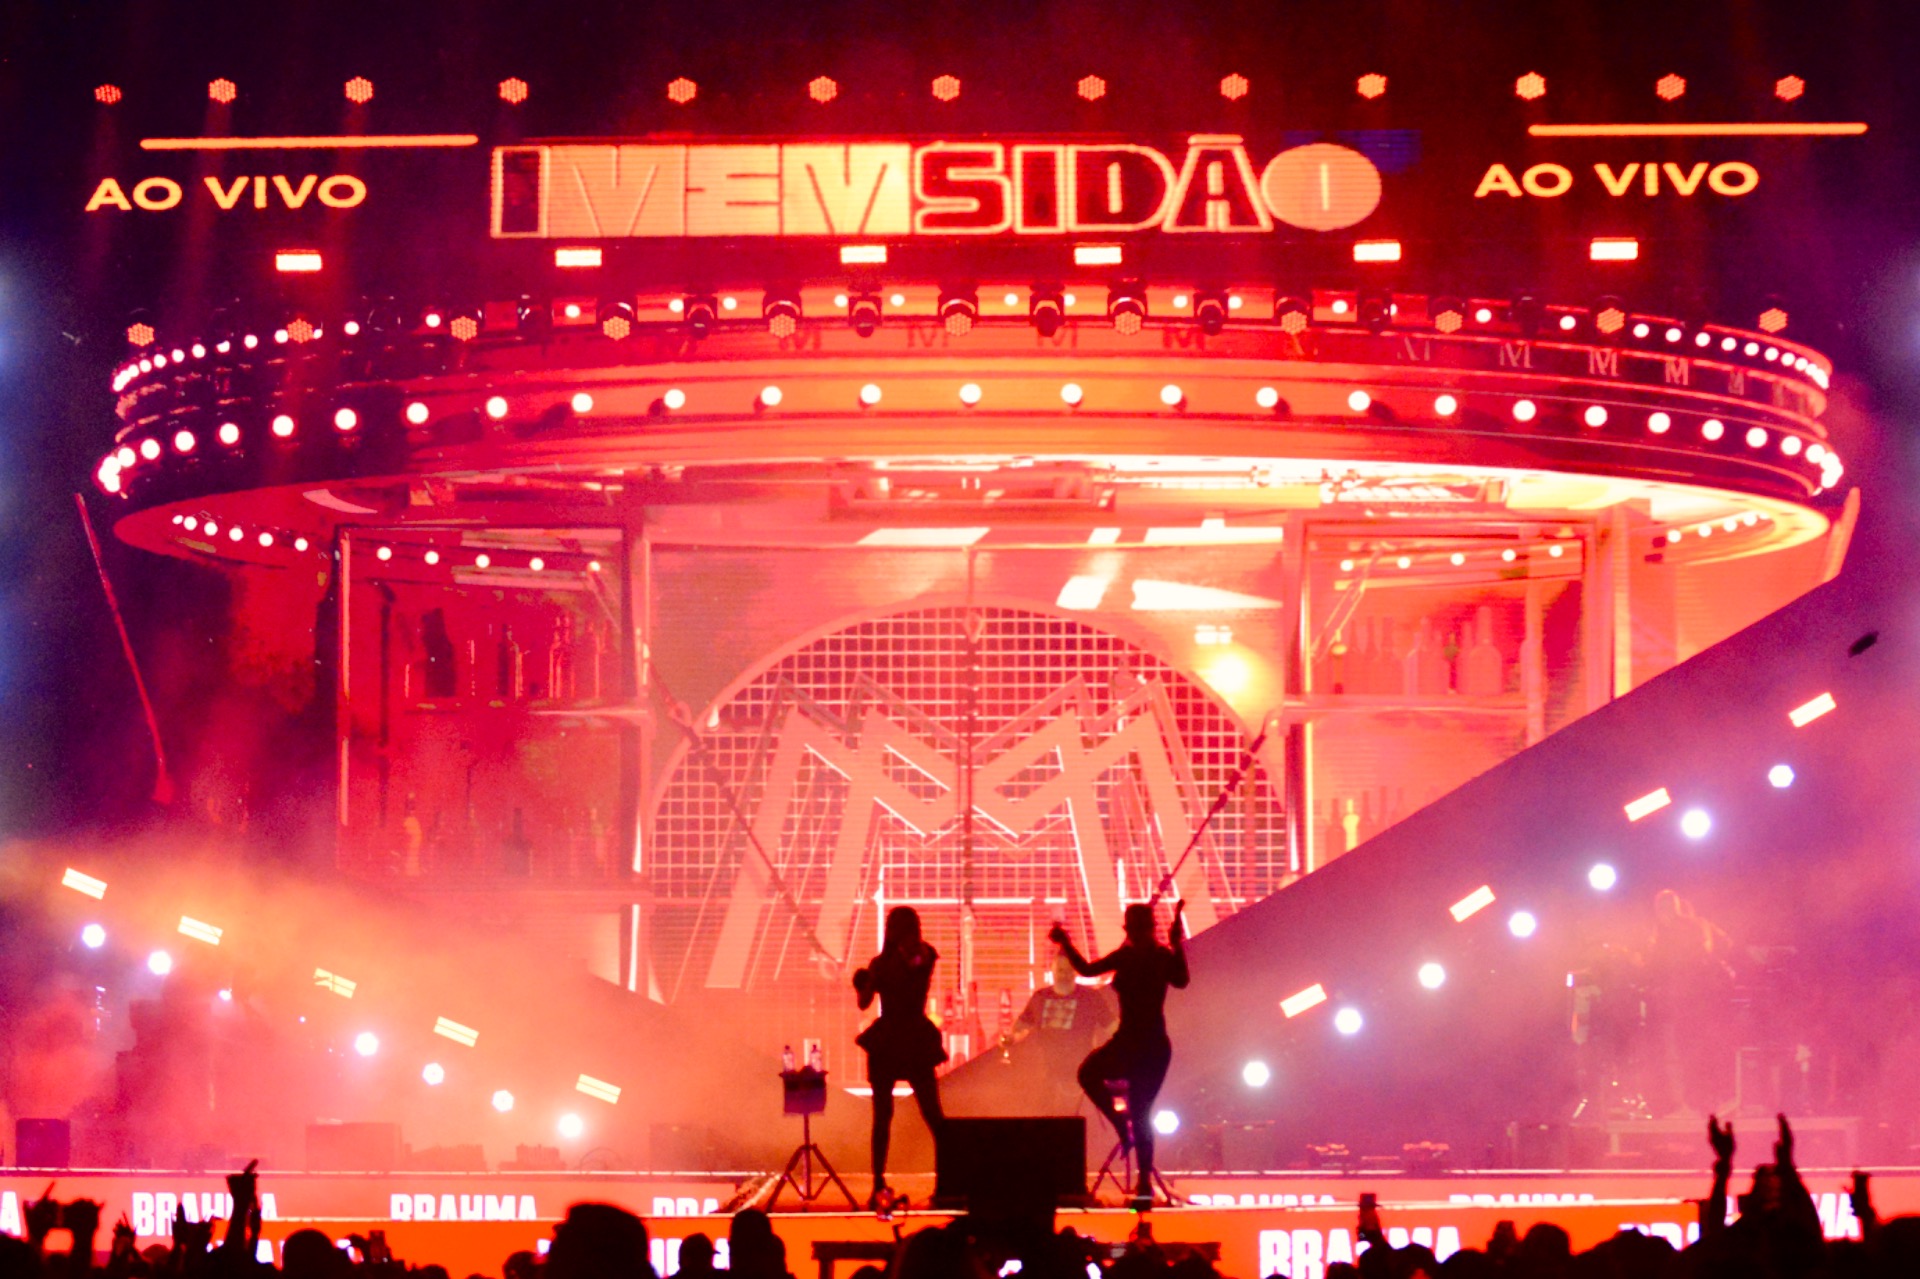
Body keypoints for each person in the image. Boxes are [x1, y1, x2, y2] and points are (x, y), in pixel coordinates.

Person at [1049, 900, 1189, 1206]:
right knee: (1138, 1110)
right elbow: (1181, 980)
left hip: (1137, 1043)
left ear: (1131, 930)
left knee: (1101, 1083)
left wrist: (1066, 943)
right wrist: (1177, 944)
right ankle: (1142, 1179)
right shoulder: (1158, 956)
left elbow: (1087, 969)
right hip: (1148, 1044)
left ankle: (1129, 1146)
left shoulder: (1128, 957)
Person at [853, 905, 947, 1205]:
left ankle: (942, 1180)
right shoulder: (889, 962)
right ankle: (881, 1183)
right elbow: (864, 1001)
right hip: (900, 1036)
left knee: (926, 1115)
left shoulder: (916, 956)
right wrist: (864, 983)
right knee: (890, 1116)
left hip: (902, 1036)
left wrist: (870, 978)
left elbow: (915, 965)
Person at [1003, 951, 1119, 1113]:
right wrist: (1011, 1038)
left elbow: (1113, 1027)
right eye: (1060, 970)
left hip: (1078, 1074)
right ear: (1052, 971)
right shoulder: (1039, 997)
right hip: (1045, 1075)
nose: (1064, 975)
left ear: (1075, 972)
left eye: (1069, 971)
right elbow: (1021, 1027)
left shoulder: (1090, 997)